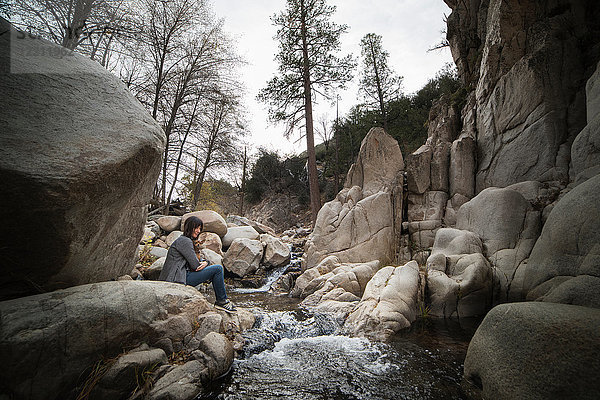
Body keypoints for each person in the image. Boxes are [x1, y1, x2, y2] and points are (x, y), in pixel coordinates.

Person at [158, 216, 236, 312]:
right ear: (189, 227)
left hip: (178, 276)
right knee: (218, 269)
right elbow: (195, 265)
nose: (199, 231)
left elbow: (197, 261)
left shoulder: (183, 240)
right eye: (196, 228)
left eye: (200, 228)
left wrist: (206, 262)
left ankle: (222, 299)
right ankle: (222, 301)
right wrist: (204, 264)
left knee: (214, 269)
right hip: (176, 279)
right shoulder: (185, 241)